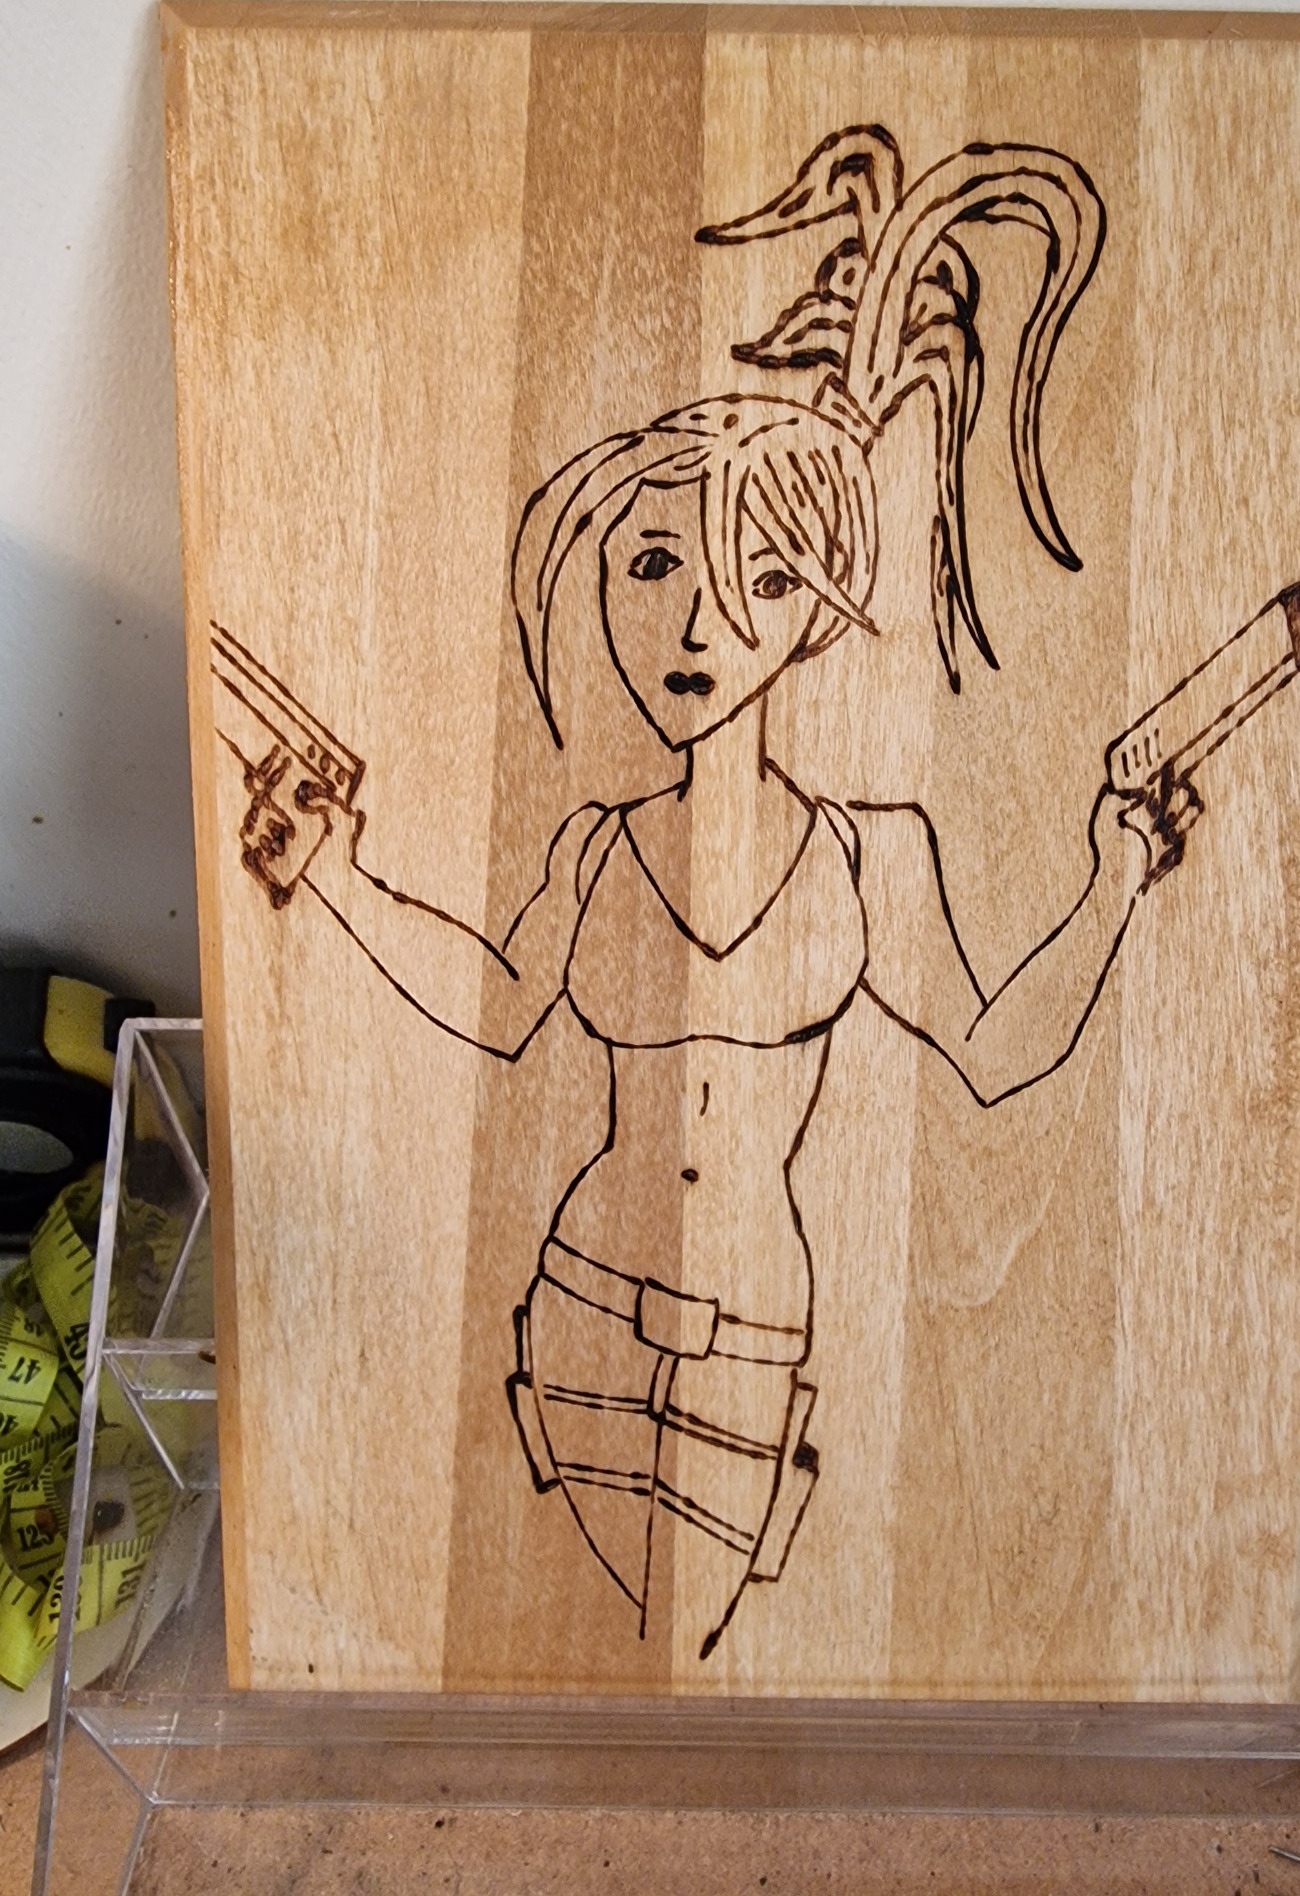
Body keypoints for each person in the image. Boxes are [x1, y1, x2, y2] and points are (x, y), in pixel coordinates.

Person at [247, 127, 1193, 1655]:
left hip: (755, 1340)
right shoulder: (597, 845)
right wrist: (332, 875)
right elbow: (501, 1007)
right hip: (578, 1301)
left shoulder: (872, 850)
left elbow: (994, 1051)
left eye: (755, 581)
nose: (695, 626)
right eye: (652, 569)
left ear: (811, 615)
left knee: (692, 1651)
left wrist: (1116, 879)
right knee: (587, 1654)